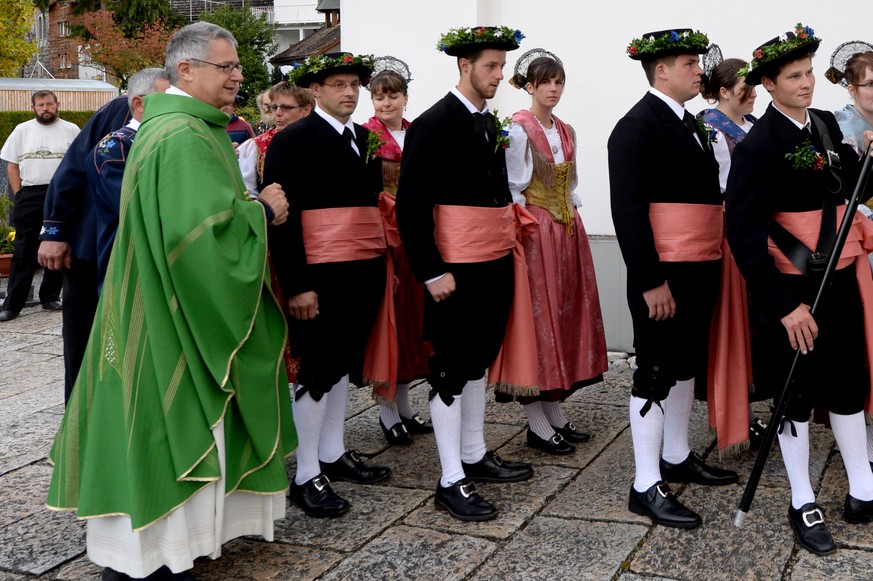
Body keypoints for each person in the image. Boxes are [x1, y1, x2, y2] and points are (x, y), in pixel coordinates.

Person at [46, 22, 296, 579]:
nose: (237, 76)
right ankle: (155, 556)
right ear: (185, 70)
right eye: (225, 66)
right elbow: (201, 240)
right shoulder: (184, 136)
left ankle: (154, 551)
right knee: (170, 422)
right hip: (174, 311)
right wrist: (263, 212)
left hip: (149, 296)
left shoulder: (177, 126)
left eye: (237, 67)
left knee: (150, 420)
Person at [726, 24, 873, 556]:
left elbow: (854, 183)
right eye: (794, 76)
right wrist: (785, 307)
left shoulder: (830, 126)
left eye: (810, 73)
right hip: (790, 289)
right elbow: (742, 236)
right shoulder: (757, 146)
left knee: (849, 377)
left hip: (840, 276)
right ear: (768, 83)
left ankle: (863, 488)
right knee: (794, 392)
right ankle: (802, 498)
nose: (807, 83)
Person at [395, 26, 534, 522]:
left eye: (502, 66)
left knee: (478, 361)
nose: (500, 75)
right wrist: (431, 272)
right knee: (452, 368)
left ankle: (474, 452)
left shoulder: (488, 122)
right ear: (464, 66)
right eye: (491, 66)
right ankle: (450, 477)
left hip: (493, 260)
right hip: (454, 267)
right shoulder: (434, 123)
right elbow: (410, 206)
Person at [608, 28, 739, 530]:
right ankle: (645, 484)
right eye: (689, 63)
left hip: (700, 266)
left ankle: (678, 455)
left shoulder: (692, 124)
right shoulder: (635, 127)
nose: (698, 71)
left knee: (685, 365)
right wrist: (648, 280)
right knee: (656, 371)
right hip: (663, 273)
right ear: (661, 70)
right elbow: (628, 211)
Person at [264, 52, 392, 518]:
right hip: (317, 275)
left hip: (362, 271)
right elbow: (282, 219)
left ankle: (333, 454)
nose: (349, 92)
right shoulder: (291, 139)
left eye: (355, 85)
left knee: (341, 365)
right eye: (338, 84)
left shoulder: (364, 138)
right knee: (316, 369)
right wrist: (297, 285)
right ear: (315, 90)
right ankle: (305, 473)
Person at [504, 49, 607, 455]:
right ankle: (536, 422)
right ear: (529, 86)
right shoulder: (517, 129)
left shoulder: (566, 129)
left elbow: (572, 182)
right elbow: (514, 189)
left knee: (564, 315)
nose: (553, 88)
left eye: (558, 82)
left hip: (567, 231)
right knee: (540, 319)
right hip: (536, 232)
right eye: (545, 82)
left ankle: (554, 411)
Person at [37, 94, 131, 404]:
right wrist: (54, 229)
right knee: (83, 342)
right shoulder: (123, 107)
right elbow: (74, 167)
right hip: (89, 250)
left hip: (136, 255)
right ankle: (78, 426)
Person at [362, 57, 434, 446]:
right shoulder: (367, 136)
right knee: (389, 324)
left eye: (392, 97)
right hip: (386, 235)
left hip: (416, 236)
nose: (385, 104)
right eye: (378, 97)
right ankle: (387, 412)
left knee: (412, 325)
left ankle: (404, 408)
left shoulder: (417, 132)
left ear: (405, 98)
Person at [697, 53, 764, 452]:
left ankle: (752, 405)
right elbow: (723, 185)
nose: (753, 94)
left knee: (758, 325)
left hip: (760, 228)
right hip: (732, 229)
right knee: (733, 323)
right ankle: (733, 413)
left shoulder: (754, 125)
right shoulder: (712, 130)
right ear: (724, 92)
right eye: (746, 88)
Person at [826, 41, 873, 471]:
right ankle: (861, 433)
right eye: (871, 84)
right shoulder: (843, 128)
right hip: (863, 238)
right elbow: (844, 191)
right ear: (851, 89)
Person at [86, 68, 170, 287]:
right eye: (167, 99)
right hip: (128, 267)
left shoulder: (165, 140)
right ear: (139, 103)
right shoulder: (114, 148)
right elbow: (136, 208)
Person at [0, 90, 79, 322]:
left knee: (59, 244)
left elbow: (78, 163)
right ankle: (12, 305)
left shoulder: (72, 130)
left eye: (49, 103)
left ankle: (50, 296)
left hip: (61, 194)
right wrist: (19, 194)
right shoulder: (22, 131)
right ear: (33, 107)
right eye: (41, 104)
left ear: (57, 104)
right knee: (24, 251)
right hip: (30, 195)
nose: (45, 108)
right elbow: (12, 166)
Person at [238, 81, 313, 196]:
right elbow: (247, 192)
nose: (277, 113)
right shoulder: (255, 146)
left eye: (286, 107)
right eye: (274, 107)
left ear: (306, 110)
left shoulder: (324, 139)